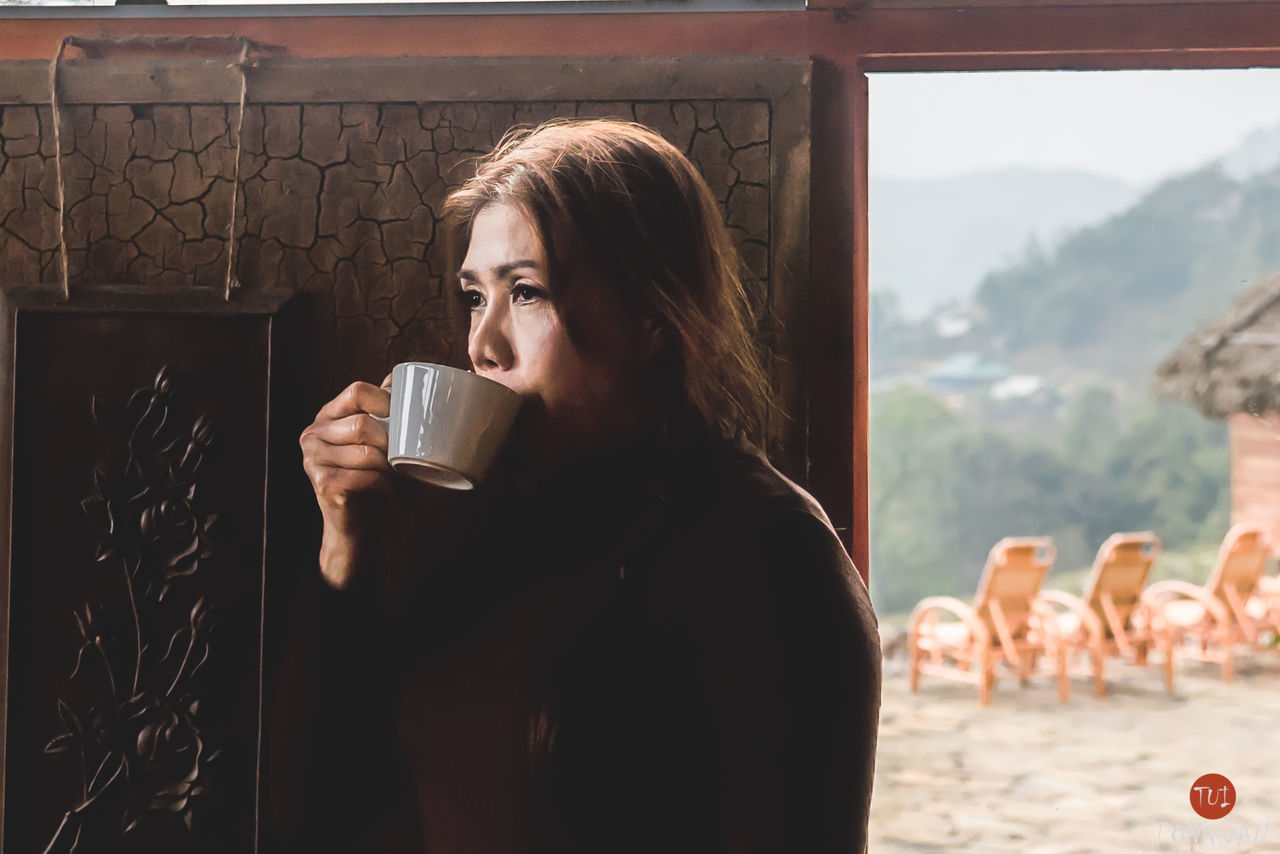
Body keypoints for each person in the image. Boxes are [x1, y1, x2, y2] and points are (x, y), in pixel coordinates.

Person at [271, 118, 880, 853]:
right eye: (474, 297)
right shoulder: (460, 522)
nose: (482, 345)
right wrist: (345, 554)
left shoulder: (768, 553)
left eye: (525, 293)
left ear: (653, 315)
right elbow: (312, 817)